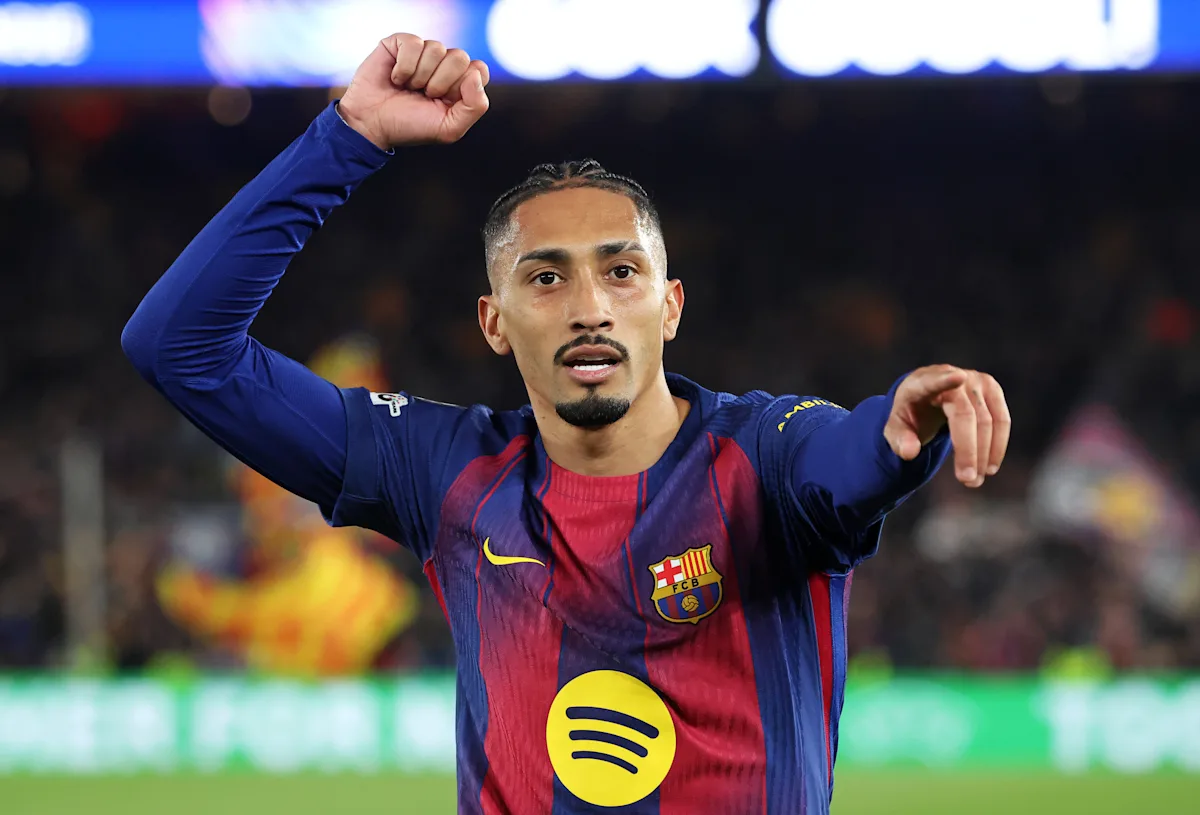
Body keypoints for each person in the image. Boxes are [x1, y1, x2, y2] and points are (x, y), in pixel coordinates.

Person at [122, 33, 1011, 815]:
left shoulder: (764, 458)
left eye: (621, 272)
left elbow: (847, 459)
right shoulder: (442, 469)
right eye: (546, 277)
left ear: (669, 306)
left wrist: (898, 431)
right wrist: (347, 136)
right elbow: (179, 347)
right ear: (494, 321)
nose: (590, 306)